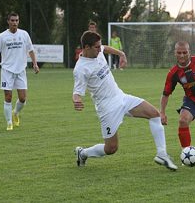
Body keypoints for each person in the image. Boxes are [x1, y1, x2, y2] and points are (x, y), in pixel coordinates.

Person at [73, 31, 177, 171]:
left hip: (121, 97)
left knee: (154, 114)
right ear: (86, 47)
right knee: (111, 148)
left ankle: (162, 154)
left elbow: (106, 48)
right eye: (96, 47)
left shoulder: (97, 51)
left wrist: (121, 53)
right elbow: (77, 92)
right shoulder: (80, 69)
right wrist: (77, 99)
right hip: (107, 108)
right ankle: (83, 153)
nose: (100, 49)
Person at [0, 12, 40, 131]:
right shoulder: (2, 36)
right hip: (7, 71)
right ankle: (9, 123)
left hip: (21, 71)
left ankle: (15, 113)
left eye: (17, 20)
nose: (15, 23)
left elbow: (31, 50)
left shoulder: (24, 34)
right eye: (12, 20)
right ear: (8, 21)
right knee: (8, 97)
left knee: (23, 98)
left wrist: (34, 63)